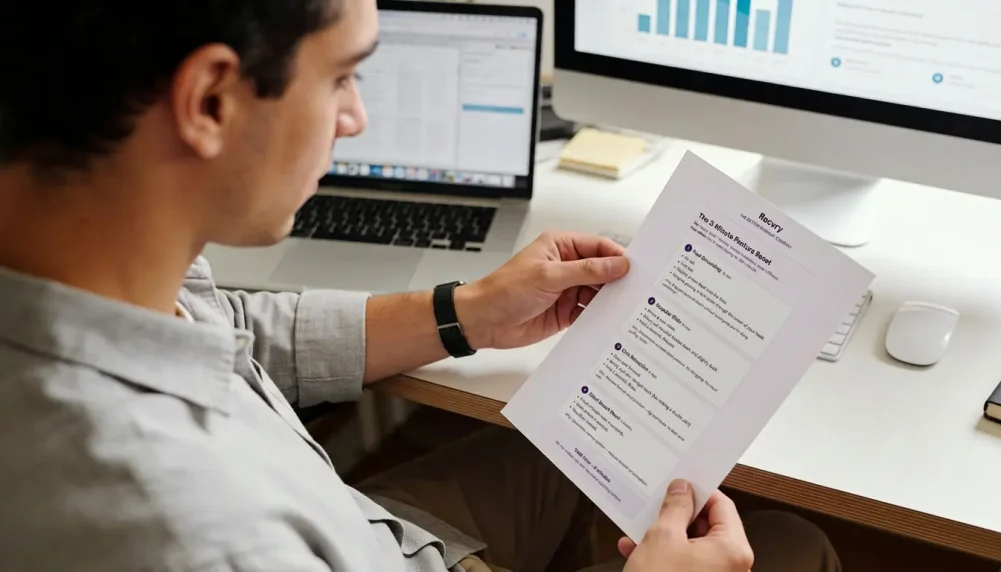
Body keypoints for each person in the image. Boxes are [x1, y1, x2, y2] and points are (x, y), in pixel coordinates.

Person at [0, 0, 842, 570]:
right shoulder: (199, 533)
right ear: (212, 100)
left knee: (588, 451)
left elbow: (228, 336)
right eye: (340, 77)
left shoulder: (89, 259)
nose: (356, 116)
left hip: (363, 532)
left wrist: (463, 314)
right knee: (793, 542)